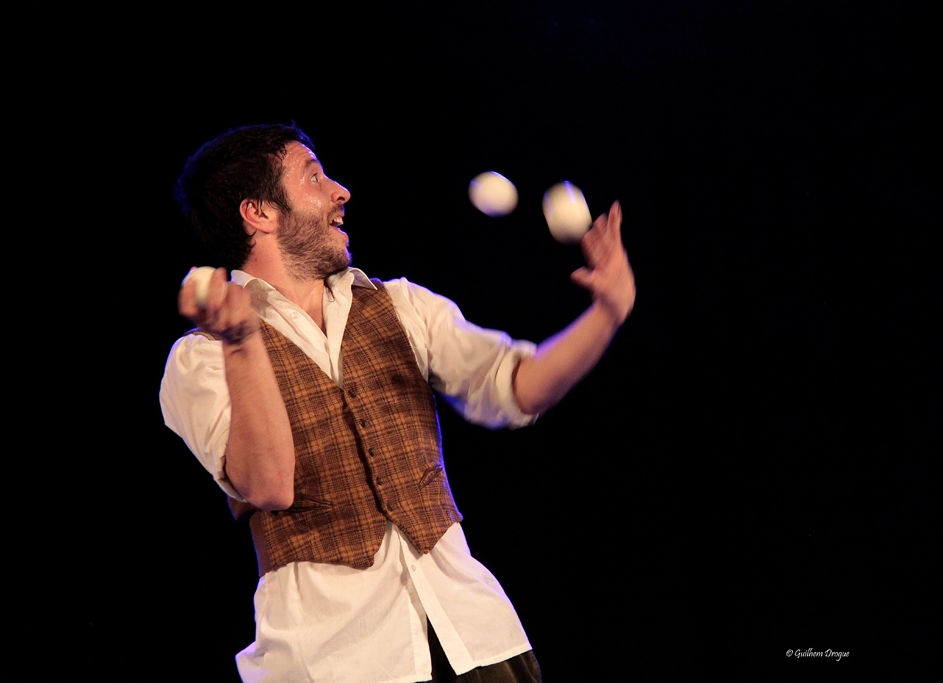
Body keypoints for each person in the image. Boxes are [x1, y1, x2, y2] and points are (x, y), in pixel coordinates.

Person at [160, 123, 635, 683]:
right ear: (258, 213)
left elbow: (519, 386)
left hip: (476, 639)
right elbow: (268, 484)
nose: (342, 192)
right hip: (334, 659)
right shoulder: (202, 357)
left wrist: (607, 313)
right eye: (315, 177)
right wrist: (242, 341)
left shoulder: (402, 306)